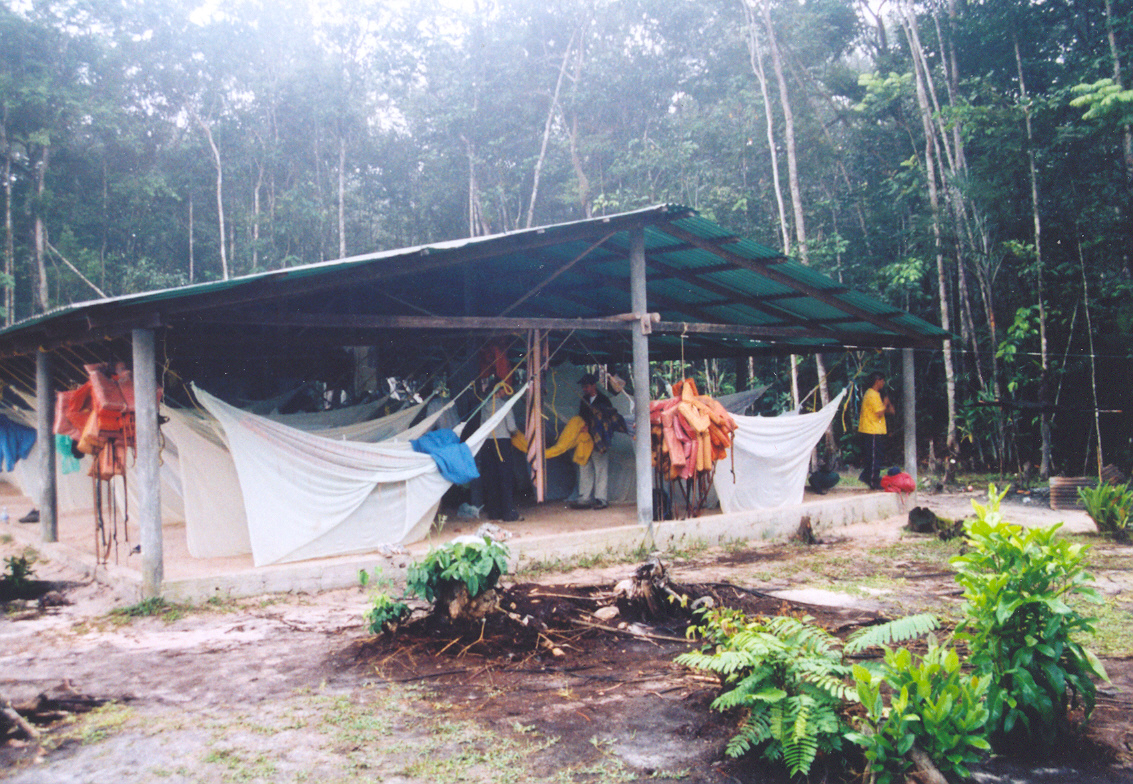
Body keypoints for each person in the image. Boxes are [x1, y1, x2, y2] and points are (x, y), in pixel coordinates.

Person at [572, 373, 626, 509]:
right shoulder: (583, 399)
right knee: (585, 467)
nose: (584, 389)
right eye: (583, 387)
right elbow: (581, 417)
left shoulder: (604, 400)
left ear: (593, 386)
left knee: (600, 468)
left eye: (587, 386)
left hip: (599, 440)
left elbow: (608, 419)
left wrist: (592, 424)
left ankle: (601, 499)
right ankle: (585, 498)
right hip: (586, 440)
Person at [478, 383, 521, 522]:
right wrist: (516, 434)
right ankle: (508, 513)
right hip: (502, 442)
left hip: (488, 443)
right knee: (505, 477)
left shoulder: (484, 406)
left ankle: (494, 513)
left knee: (492, 478)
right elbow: (512, 427)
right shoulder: (504, 405)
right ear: (500, 390)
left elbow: (482, 426)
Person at [857, 372, 895, 491]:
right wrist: (885, 404)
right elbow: (879, 412)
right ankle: (873, 480)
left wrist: (888, 406)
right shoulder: (871, 394)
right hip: (871, 429)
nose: (883, 383)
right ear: (877, 381)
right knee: (874, 457)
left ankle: (867, 476)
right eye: (882, 381)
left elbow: (886, 411)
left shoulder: (876, 394)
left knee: (876, 455)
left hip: (876, 430)